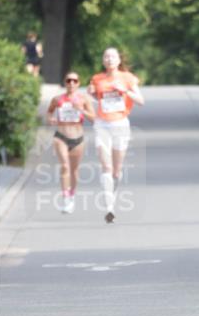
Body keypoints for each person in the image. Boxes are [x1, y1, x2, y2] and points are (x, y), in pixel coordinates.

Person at [87, 47, 144, 223]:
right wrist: (91, 94)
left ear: (119, 60)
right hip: (102, 124)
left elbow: (141, 101)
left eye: (113, 56)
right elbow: (99, 98)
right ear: (103, 61)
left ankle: (113, 197)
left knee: (116, 170)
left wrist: (125, 90)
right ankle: (109, 207)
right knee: (106, 166)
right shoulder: (97, 79)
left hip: (120, 124)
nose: (110, 59)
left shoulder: (128, 78)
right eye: (106, 56)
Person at [46, 72, 96, 213]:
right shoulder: (57, 99)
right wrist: (50, 119)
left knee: (74, 170)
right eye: (69, 80)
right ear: (65, 83)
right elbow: (49, 112)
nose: (72, 83)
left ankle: (72, 194)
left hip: (78, 138)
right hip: (61, 137)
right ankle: (66, 198)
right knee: (65, 166)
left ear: (79, 83)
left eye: (75, 80)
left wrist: (81, 110)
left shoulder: (83, 99)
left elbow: (94, 118)